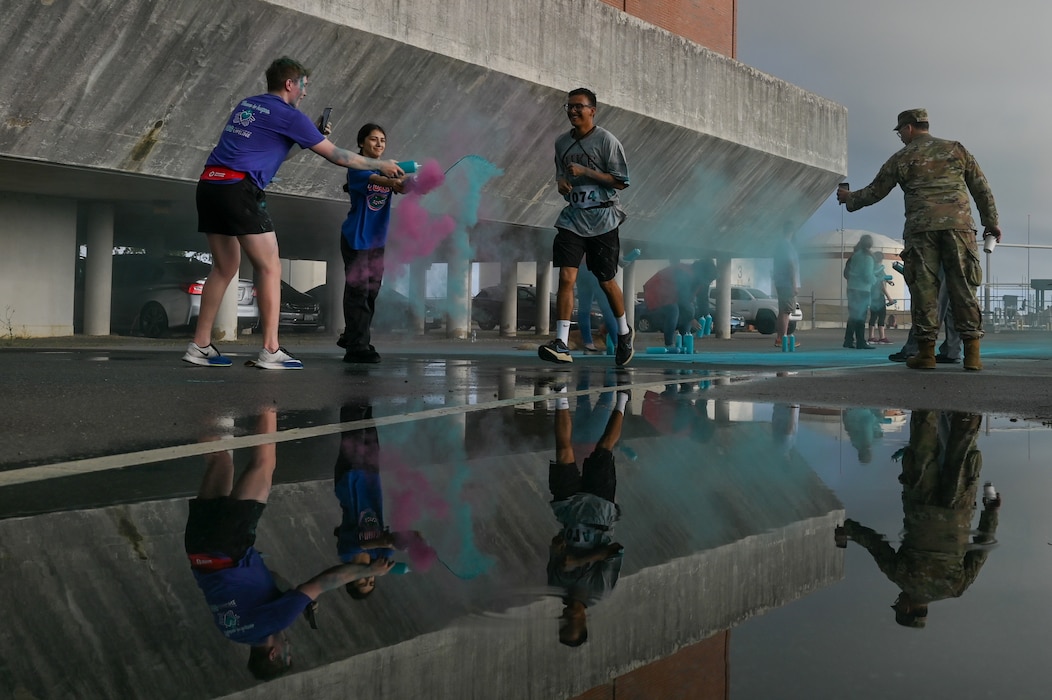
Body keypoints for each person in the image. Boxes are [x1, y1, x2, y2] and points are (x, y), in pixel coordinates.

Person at [184, 57, 403, 370]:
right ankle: (271, 349)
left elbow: (271, 154)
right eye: (304, 86)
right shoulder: (290, 114)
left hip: (209, 184)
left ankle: (200, 345)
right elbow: (339, 157)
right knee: (271, 266)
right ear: (290, 83)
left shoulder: (249, 105)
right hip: (239, 189)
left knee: (225, 266)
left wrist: (307, 136)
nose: (304, 93)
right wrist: (378, 164)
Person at [185, 408, 394, 680]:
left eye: (287, 652)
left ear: (274, 654)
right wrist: (291, 598)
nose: (288, 645)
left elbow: (323, 582)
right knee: (219, 463)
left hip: (229, 545)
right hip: (199, 549)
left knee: (263, 464)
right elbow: (268, 579)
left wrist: (369, 572)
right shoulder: (232, 630)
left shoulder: (273, 624)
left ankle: (266, 394)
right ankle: (200, 399)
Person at [837, 108, 1000, 371]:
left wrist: (849, 199)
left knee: (924, 290)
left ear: (910, 128)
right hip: (959, 228)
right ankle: (972, 354)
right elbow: (981, 187)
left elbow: (875, 191)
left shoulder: (902, 157)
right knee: (964, 288)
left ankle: (926, 354)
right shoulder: (957, 149)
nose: (900, 136)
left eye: (900, 131)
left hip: (922, 231)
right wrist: (990, 222)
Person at [835, 410, 1000, 628]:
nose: (898, 599)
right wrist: (847, 529)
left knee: (962, 447)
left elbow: (982, 548)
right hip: (921, 502)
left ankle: (967, 405)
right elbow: (876, 544)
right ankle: (926, 398)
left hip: (958, 511)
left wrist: (991, 511)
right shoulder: (903, 578)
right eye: (898, 603)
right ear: (906, 608)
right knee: (923, 446)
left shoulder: (956, 587)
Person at [538, 88, 634, 367]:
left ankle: (624, 333)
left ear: (593, 110)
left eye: (579, 107)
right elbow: (560, 177)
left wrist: (586, 172)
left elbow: (620, 181)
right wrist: (562, 184)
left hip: (603, 219)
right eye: (569, 107)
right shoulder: (561, 143)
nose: (573, 111)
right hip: (573, 219)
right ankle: (561, 342)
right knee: (566, 278)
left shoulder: (607, 141)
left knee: (606, 281)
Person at [546, 378, 628, 646]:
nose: (566, 617)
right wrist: (580, 562)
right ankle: (623, 399)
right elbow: (615, 551)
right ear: (583, 622)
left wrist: (557, 548)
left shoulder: (557, 585)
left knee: (563, 451)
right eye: (571, 623)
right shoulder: (599, 591)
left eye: (562, 623)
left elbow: (556, 549)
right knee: (603, 448)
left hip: (568, 511)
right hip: (599, 512)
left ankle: (560, 393)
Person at [333, 401, 434, 598]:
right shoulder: (381, 556)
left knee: (353, 424)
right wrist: (414, 541)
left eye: (363, 581)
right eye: (372, 581)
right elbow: (394, 541)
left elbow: (375, 542)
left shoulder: (345, 552)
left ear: (348, 578)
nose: (370, 576)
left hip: (350, 481)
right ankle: (362, 388)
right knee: (368, 424)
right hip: (370, 481)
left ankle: (352, 390)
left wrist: (391, 542)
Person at [337, 124, 407, 364]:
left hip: (376, 240)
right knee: (359, 291)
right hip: (356, 238)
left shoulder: (388, 170)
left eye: (383, 140)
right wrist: (395, 182)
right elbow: (379, 180)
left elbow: (399, 183)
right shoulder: (357, 167)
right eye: (374, 139)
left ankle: (354, 336)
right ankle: (357, 346)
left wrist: (411, 183)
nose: (379, 144)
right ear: (361, 143)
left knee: (372, 291)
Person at [889, 268, 961, 363]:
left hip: (939, 263)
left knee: (930, 305)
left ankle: (917, 350)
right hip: (959, 262)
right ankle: (952, 351)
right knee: (953, 307)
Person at [641, 259, 717, 349]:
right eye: (709, 279)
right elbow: (682, 298)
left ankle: (685, 344)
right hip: (656, 292)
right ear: (703, 273)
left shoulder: (702, 280)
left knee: (689, 311)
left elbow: (703, 300)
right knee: (673, 310)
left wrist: (707, 316)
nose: (709, 282)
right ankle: (669, 344)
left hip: (673, 295)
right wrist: (691, 318)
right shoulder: (684, 273)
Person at [843, 234, 880, 349]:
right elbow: (867, 276)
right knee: (861, 316)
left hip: (852, 288)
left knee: (853, 315)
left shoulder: (855, 256)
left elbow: (848, 272)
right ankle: (860, 341)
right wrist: (876, 279)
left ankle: (848, 340)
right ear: (871, 244)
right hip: (862, 290)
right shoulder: (868, 258)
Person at [576, 263, 619, 353]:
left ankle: (588, 343)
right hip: (597, 268)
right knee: (606, 308)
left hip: (581, 268)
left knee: (584, 308)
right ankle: (617, 343)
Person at [773, 226, 801, 349]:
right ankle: (782, 338)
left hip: (781, 282)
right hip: (787, 284)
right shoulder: (787, 246)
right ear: (791, 231)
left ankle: (780, 337)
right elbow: (791, 265)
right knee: (786, 311)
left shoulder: (779, 246)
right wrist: (794, 283)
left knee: (782, 311)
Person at [867, 251, 893, 344]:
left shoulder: (872, 268)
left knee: (873, 316)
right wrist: (889, 297)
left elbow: (883, 278)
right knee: (882, 315)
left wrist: (888, 281)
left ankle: (871, 337)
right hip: (879, 296)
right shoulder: (879, 268)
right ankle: (882, 337)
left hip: (872, 295)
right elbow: (881, 285)